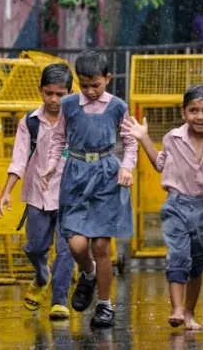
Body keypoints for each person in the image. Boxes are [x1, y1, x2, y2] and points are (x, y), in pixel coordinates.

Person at [42, 50, 138, 328]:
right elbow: (59, 140)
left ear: (107, 79)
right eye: (84, 85)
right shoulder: (69, 105)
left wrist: (127, 167)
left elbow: (130, 142)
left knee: (100, 245)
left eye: (95, 84)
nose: (90, 90)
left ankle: (105, 305)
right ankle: (89, 274)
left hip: (107, 175)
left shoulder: (118, 106)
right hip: (76, 175)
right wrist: (51, 165)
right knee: (77, 244)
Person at [126, 85, 203, 331]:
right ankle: (176, 309)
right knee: (179, 256)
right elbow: (159, 164)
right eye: (193, 110)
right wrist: (143, 138)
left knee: (197, 261)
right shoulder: (173, 138)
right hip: (176, 204)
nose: (200, 116)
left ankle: (189, 312)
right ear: (184, 113)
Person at [0, 63, 75, 320]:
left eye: (60, 94)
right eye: (48, 93)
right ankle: (41, 276)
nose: (53, 99)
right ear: (40, 90)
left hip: (70, 196)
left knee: (66, 250)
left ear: (70, 93)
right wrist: (6, 192)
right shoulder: (29, 122)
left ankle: (59, 301)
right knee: (34, 248)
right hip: (38, 197)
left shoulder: (77, 121)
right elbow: (18, 160)